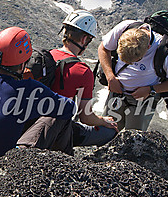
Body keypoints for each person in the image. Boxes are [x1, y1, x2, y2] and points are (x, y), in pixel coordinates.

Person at [0, 26, 77, 174]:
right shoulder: (29, 89)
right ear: (24, 62)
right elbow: (69, 108)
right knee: (55, 118)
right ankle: (66, 170)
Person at [97, 19, 168, 131]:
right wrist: (110, 77)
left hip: (143, 101)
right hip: (116, 94)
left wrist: (151, 90)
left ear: (148, 48)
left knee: (133, 137)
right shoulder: (124, 28)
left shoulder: (166, 52)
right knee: (106, 131)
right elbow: (103, 48)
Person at [48, 9, 118, 146]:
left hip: (31, 124)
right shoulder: (82, 71)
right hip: (58, 131)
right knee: (110, 132)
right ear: (84, 39)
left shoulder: (48, 56)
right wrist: (104, 121)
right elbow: (86, 117)